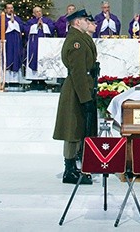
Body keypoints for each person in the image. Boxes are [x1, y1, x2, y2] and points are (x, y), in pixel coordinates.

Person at [52, 9, 98, 185]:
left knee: (77, 128)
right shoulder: (76, 41)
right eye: (85, 20)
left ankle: (73, 167)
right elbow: (78, 72)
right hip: (77, 90)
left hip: (81, 88)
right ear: (77, 22)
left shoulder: (80, 38)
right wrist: (85, 98)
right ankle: (69, 170)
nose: (88, 22)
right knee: (72, 129)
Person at [25, 6, 55, 89]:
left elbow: (52, 28)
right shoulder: (30, 21)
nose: (39, 13)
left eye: (40, 11)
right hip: (33, 44)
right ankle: (33, 79)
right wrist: (35, 26)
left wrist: (44, 26)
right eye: (37, 11)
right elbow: (26, 29)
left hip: (44, 44)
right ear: (33, 13)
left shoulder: (47, 21)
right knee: (33, 58)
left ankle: (43, 79)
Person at [0, 3, 25, 86]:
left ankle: (15, 80)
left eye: (12, 8)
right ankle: (4, 80)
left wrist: (14, 22)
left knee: (15, 58)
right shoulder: (1, 18)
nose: (10, 10)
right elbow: (1, 27)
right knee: (7, 58)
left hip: (16, 43)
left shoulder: (18, 19)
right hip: (6, 42)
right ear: (5, 10)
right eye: (8, 8)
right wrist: (10, 22)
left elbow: (22, 27)